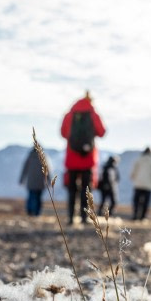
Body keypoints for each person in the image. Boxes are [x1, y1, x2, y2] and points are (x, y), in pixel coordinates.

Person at [60, 91, 106, 225]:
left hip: (72, 157)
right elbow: (102, 132)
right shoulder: (93, 114)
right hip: (88, 158)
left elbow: (63, 133)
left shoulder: (70, 114)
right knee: (87, 189)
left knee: (72, 189)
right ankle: (84, 217)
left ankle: (70, 217)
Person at [129, 147, 151, 221]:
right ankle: (143, 217)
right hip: (148, 185)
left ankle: (135, 215)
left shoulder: (138, 160)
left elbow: (133, 171)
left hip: (138, 184)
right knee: (146, 202)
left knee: (136, 201)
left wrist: (133, 177)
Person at [19, 146, 47, 217]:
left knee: (31, 196)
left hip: (31, 182)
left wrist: (21, 179)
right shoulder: (43, 157)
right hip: (40, 182)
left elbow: (24, 169)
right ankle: (36, 213)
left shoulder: (29, 157)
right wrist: (49, 180)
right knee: (38, 198)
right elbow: (47, 170)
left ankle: (30, 212)